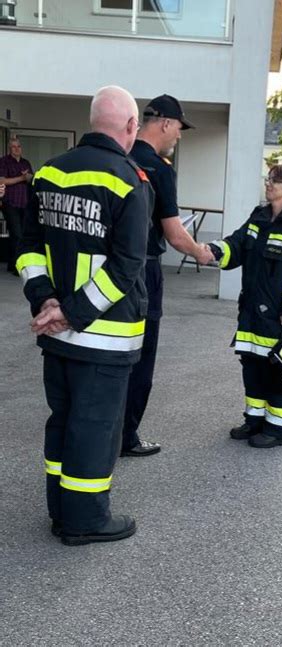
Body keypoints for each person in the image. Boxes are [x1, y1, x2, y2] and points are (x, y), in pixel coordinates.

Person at [16, 85, 152, 545]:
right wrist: (71, 313)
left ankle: (60, 508)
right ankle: (84, 520)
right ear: (131, 127)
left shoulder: (49, 173)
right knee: (94, 429)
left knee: (63, 419)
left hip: (56, 333)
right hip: (103, 338)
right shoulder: (130, 180)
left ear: (93, 121)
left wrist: (44, 301)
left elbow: (29, 246)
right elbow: (127, 265)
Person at [120, 94, 214, 458]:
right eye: (179, 127)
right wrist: (201, 252)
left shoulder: (121, 156)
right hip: (144, 271)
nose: (179, 135)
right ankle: (126, 437)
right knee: (141, 357)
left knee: (111, 352)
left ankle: (104, 431)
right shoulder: (159, 169)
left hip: (111, 266)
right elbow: (175, 234)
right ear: (164, 123)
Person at [208, 164, 282, 449]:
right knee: (252, 369)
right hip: (251, 313)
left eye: (275, 181)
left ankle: (279, 430)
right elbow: (238, 243)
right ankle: (255, 420)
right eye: (268, 179)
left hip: (278, 318)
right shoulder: (259, 216)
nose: (268, 184)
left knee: (276, 374)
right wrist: (215, 251)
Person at [0, 137, 33, 274]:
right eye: (13, 147)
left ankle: (13, 263)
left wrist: (28, 177)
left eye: (18, 146)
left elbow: (31, 178)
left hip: (24, 202)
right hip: (10, 202)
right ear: (9, 148)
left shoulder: (25, 162)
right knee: (17, 233)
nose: (16, 149)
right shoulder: (4, 161)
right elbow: (2, 180)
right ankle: (15, 266)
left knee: (23, 234)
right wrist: (21, 178)